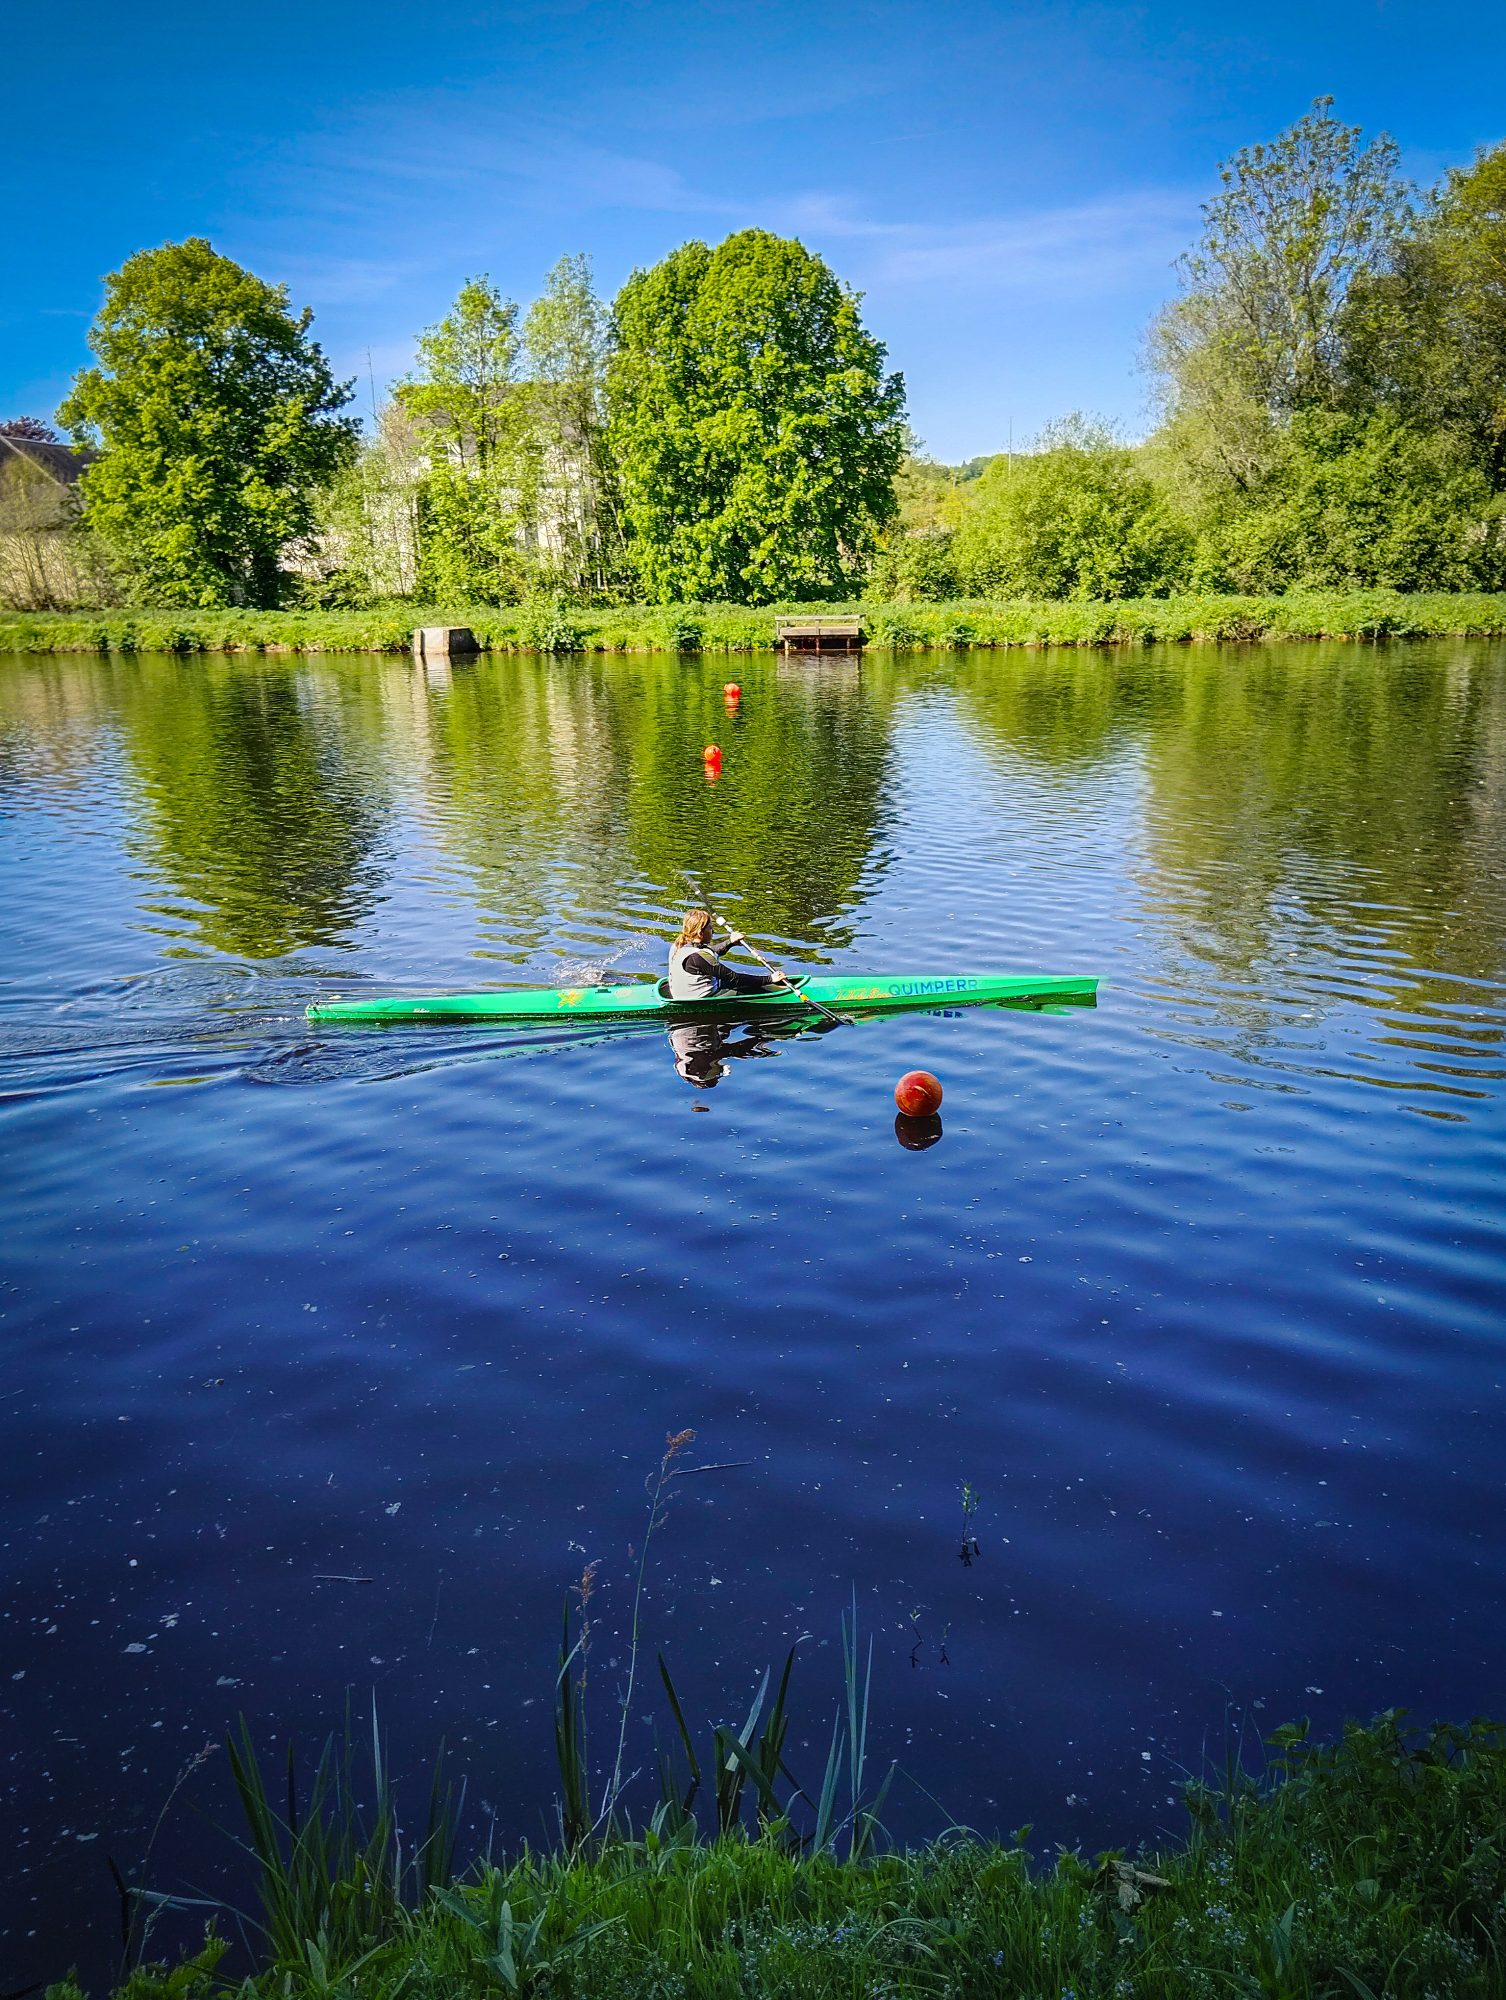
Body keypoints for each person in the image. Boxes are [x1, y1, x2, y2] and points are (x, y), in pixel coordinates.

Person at [666, 907, 788, 1001]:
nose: (713, 931)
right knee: (747, 987)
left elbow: (711, 952)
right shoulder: (697, 957)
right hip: (700, 997)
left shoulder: (679, 945)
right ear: (700, 933)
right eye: (710, 928)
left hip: (684, 992)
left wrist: (731, 942)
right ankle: (780, 995)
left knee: (746, 982)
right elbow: (734, 978)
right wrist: (770, 979)